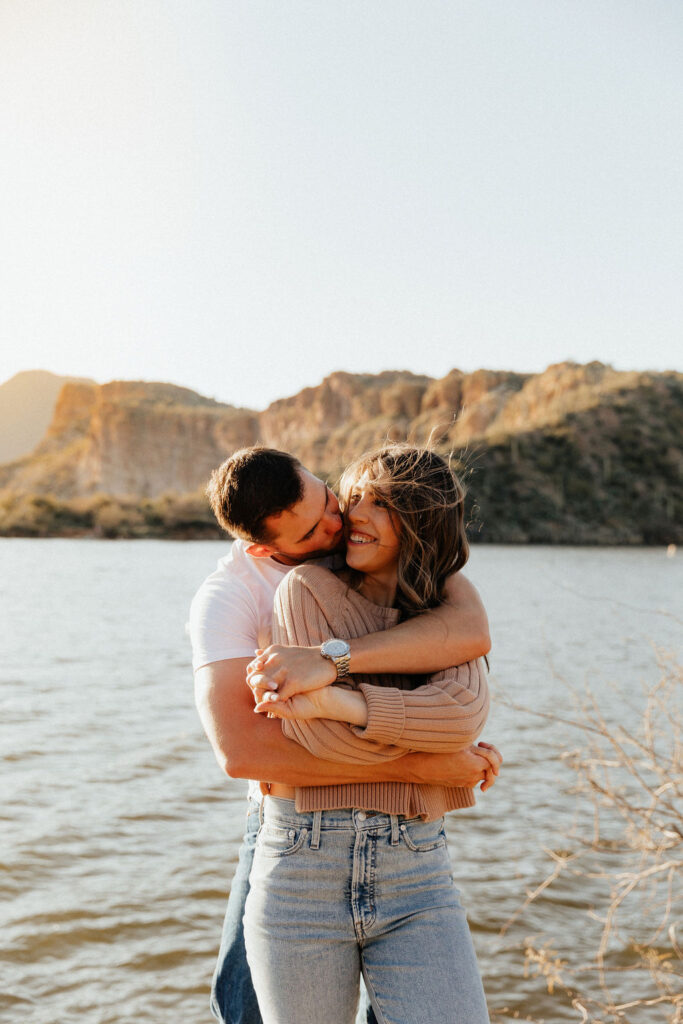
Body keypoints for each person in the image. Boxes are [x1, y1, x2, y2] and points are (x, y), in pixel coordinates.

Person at [190, 446, 500, 1024]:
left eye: (335, 499)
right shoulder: (241, 595)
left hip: (412, 854)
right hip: (293, 828)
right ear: (266, 547)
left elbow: (469, 642)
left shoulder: (426, 581)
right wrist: (420, 765)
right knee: (240, 1007)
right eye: (315, 527)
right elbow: (244, 753)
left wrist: (332, 674)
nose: (341, 521)